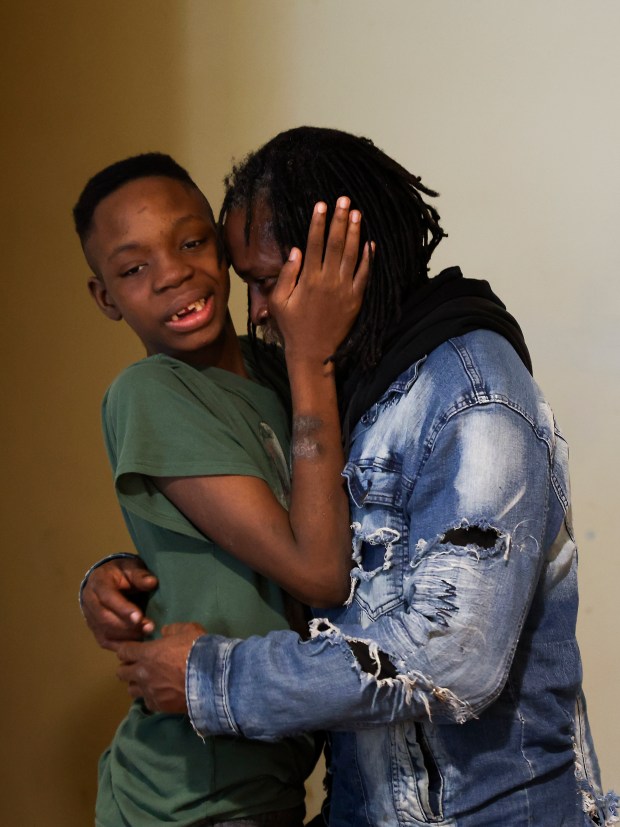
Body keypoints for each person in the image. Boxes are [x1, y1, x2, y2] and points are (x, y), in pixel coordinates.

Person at [82, 128, 617, 826]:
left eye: (269, 282)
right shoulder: (341, 390)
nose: (259, 311)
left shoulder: (470, 393)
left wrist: (210, 675)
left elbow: (452, 656)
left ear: (342, 259)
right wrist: (119, 571)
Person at [73, 150, 370, 827]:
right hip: (186, 796)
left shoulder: (274, 371)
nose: (174, 273)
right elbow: (320, 572)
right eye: (133, 268)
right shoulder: (149, 392)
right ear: (105, 297)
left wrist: (109, 573)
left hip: (269, 777)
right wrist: (311, 356)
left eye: (190, 241)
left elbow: (213, 554)